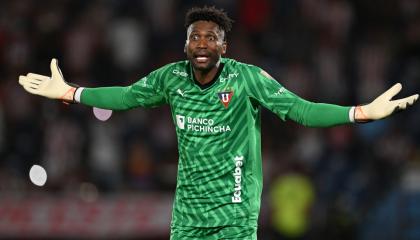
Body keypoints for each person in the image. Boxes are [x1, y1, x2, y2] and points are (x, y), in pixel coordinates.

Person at [18, 6, 418, 240]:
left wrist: (361, 112)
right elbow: (124, 97)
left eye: (212, 38)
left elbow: (302, 110)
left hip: (234, 217)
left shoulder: (247, 78)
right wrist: (71, 93)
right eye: (196, 37)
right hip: (187, 220)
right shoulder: (171, 78)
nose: (203, 44)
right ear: (186, 44)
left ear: (224, 46)